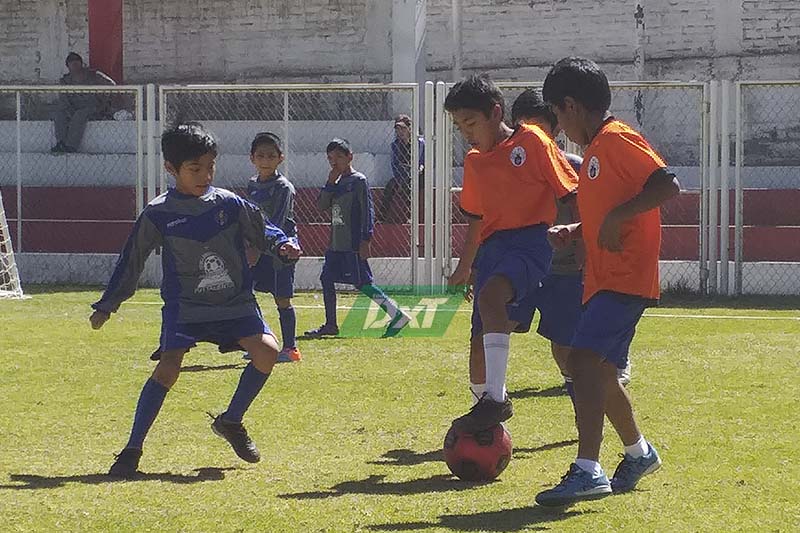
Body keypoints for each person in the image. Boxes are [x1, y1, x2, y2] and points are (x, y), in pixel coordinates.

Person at [90, 123, 301, 478]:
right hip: (185, 307)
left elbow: (263, 230)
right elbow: (132, 259)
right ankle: (131, 450)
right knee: (168, 369)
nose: (205, 175)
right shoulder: (158, 213)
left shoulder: (230, 204)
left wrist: (282, 245)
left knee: (267, 351)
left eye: (209, 167)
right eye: (194, 169)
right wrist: (108, 304)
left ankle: (231, 421)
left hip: (234, 301)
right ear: (171, 169)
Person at [535, 57, 679, 506]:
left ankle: (587, 470)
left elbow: (666, 184)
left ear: (572, 106)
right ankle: (639, 453)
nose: (558, 125)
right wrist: (577, 231)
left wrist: (617, 215)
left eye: (557, 114)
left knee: (581, 362)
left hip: (624, 277)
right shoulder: (597, 148)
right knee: (599, 372)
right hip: (604, 278)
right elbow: (609, 205)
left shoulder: (617, 139)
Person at [444, 75, 579, 433]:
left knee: (494, 302)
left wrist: (586, 237)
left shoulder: (532, 141)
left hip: (531, 243)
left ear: (495, 113)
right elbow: (476, 221)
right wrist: (464, 267)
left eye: (470, 123)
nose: (466, 133)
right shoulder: (475, 162)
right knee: (477, 347)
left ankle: (497, 401)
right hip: (492, 251)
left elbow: (571, 193)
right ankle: (487, 417)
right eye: (459, 126)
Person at [304, 138, 411, 338]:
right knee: (326, 278)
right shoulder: (335, 183)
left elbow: (367, 211)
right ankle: (330, 324)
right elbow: (320, 206)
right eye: (330, 158)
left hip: (352, 244)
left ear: (350, 157)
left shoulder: (358, 181)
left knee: (362, 283)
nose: (334, 162)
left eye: (338, 157)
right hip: (335, 243)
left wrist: (366, 240)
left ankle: (397, 315)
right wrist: (329, 183)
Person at [245, 132, 301, 363]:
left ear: (281, 158)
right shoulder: (252, 185)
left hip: (281, 250)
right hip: (257, 247)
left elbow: (276, 222)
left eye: (271, 155)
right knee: (247, 293)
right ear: (252, 158)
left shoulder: (283, 187)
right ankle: (264, 341)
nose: (265, 160)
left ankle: (291, 349)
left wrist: (259, 246)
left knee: (282, 299)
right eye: (261, 155)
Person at [51, 52, 116, 153]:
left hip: (95, 109)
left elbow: (112, 85)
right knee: (59, 114)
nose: (74, 65)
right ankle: (61, 144)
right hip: (74, 109)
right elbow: (64, 101)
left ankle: (71, 146)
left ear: (81, 63)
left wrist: (104, 102)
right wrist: (66, 111)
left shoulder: (94, 75)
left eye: (77, 62)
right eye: (71, 63)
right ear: (68, 66)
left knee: (80, 114)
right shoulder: (65, 81)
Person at [379, 115, 425, 223]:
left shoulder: (419, 143)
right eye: (398, 129)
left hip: (418, 174)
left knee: (408, 184)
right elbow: (395, 164)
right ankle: (382, 216)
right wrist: (399, 178)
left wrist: (414, 172)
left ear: (410, 129)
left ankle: (411, 215)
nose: (400, 132)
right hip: (402, 174)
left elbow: (421, 162)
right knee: (390, 186)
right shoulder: (396, 145)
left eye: (403, 128)